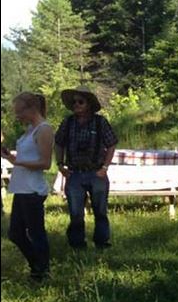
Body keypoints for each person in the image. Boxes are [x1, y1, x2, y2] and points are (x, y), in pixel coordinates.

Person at [54, 85, 118, 249]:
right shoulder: (67, 123)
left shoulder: (100, 122)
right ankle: (77, 244)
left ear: (89, 104)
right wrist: (60, 164)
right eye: (74, 102)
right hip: (74, 174)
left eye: (80, 102)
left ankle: (102, 243)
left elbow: (111, 144)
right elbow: (59, 143)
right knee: (75, 214)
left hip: (96, 173)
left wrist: (105, 167)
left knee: (100, 212)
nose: (76, 105)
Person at [2, 92, 53, 281]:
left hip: (33, 190)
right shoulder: (30, 130)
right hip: (21, 188)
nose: (17, 116)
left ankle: (42, 271)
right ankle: (37, 265)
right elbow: (25, 159)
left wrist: (20, 161)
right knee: (15, 233)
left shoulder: (44, 130)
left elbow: (45, 163)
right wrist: (10, 157)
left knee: (36, 232)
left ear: (32, 108)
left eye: (19, 112)